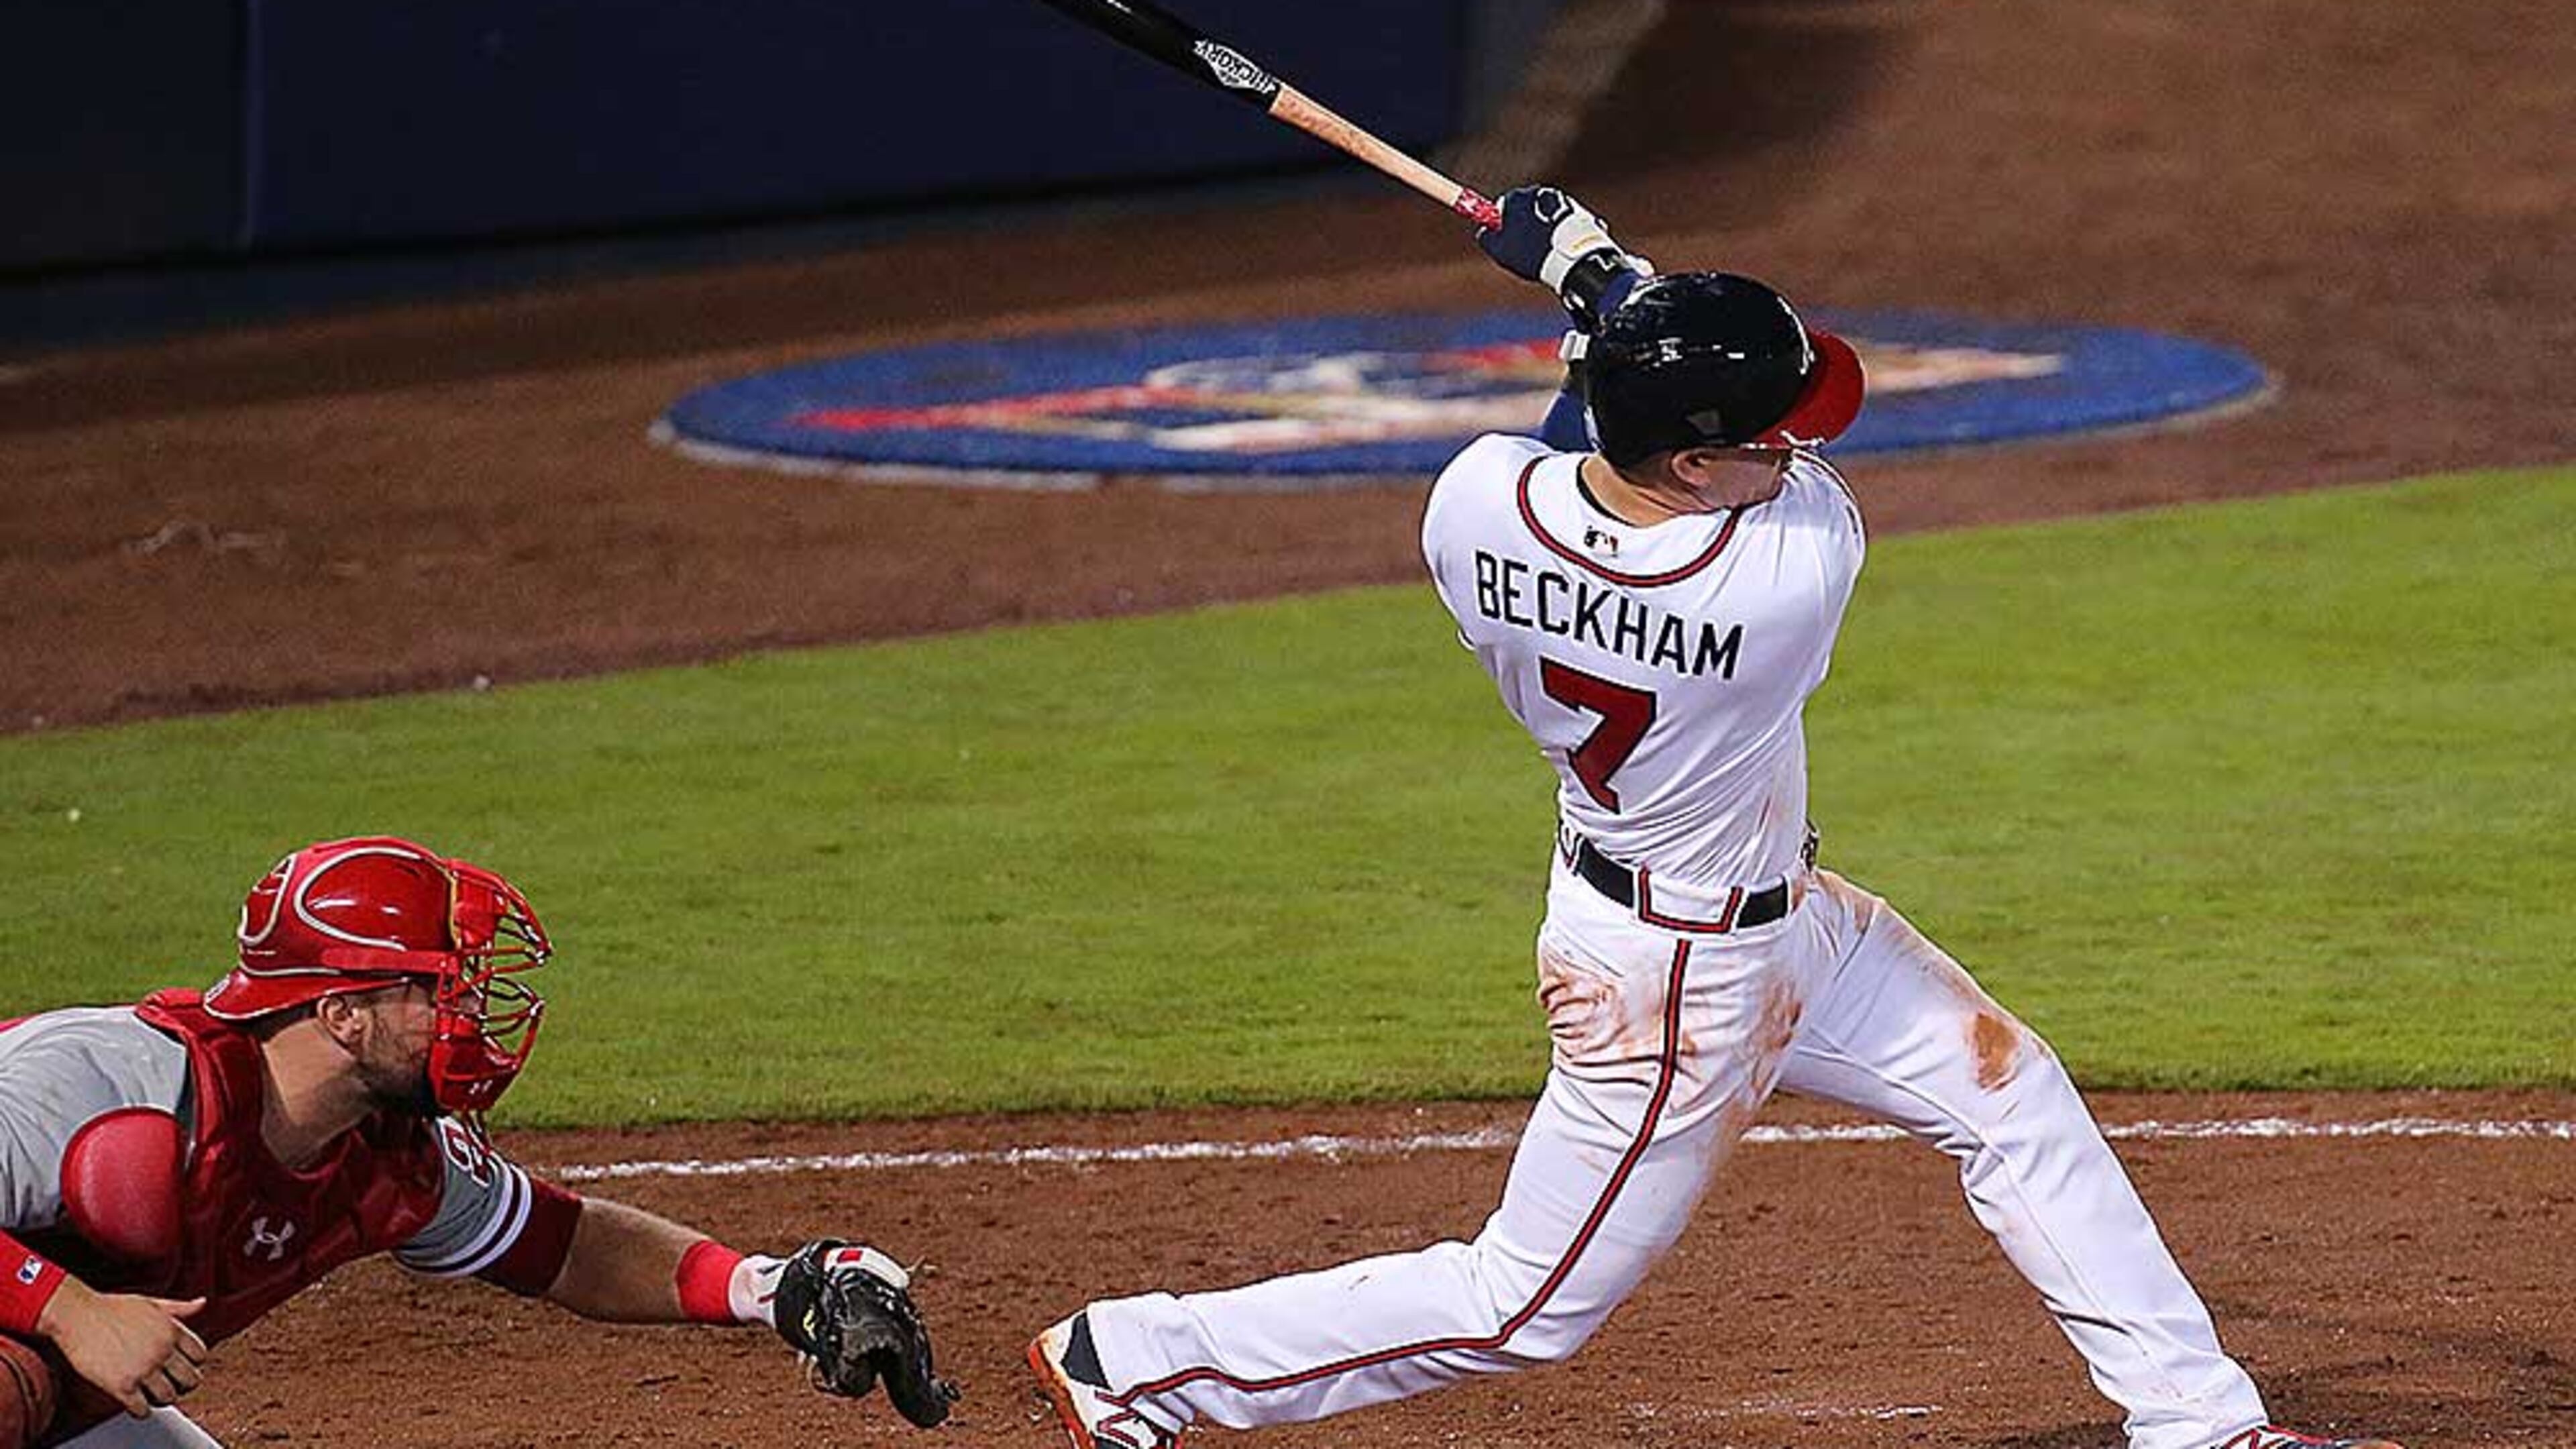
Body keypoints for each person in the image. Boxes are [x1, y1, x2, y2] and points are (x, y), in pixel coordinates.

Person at [1023, 188, 2404, 1449]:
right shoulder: (1786, 574)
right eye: (1775, 436)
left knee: (2008, 1092)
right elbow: (1635, 427)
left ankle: (2202, 1429)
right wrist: (1599, 273)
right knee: (1523, 1308)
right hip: (1675, 984)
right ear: (1699, 468)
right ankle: (1136, 1360)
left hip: (1768, 920)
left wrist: (1607, 313)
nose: (1799, 446)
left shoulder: (1468, 504)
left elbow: (1582, 448)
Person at [0, 835, 958, 1448]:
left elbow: (562, 1246)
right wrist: (68, 1310)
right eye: (439, 988)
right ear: (342, 1012)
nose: (472, 1011)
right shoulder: (108, 1081)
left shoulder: (388, 1151)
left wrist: (770, 1288)